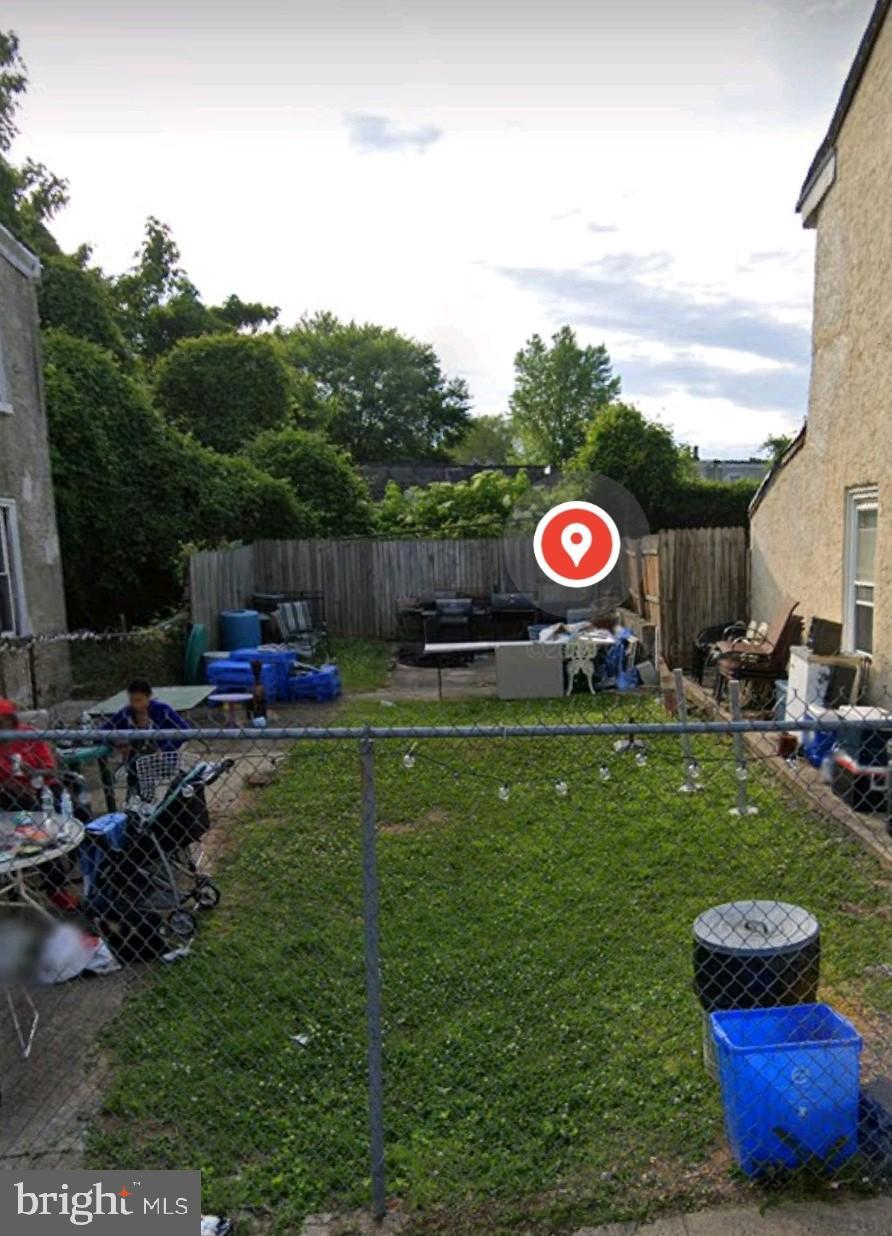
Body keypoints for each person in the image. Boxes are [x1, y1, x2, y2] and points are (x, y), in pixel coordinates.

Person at [0, 698, 58, 810]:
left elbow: (51, 771)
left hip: (41, 786)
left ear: (11, 720)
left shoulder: (29, 735)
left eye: (1, 722)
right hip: (10, 793)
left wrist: (33, 772)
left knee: (77, 809)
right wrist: (8, 785)